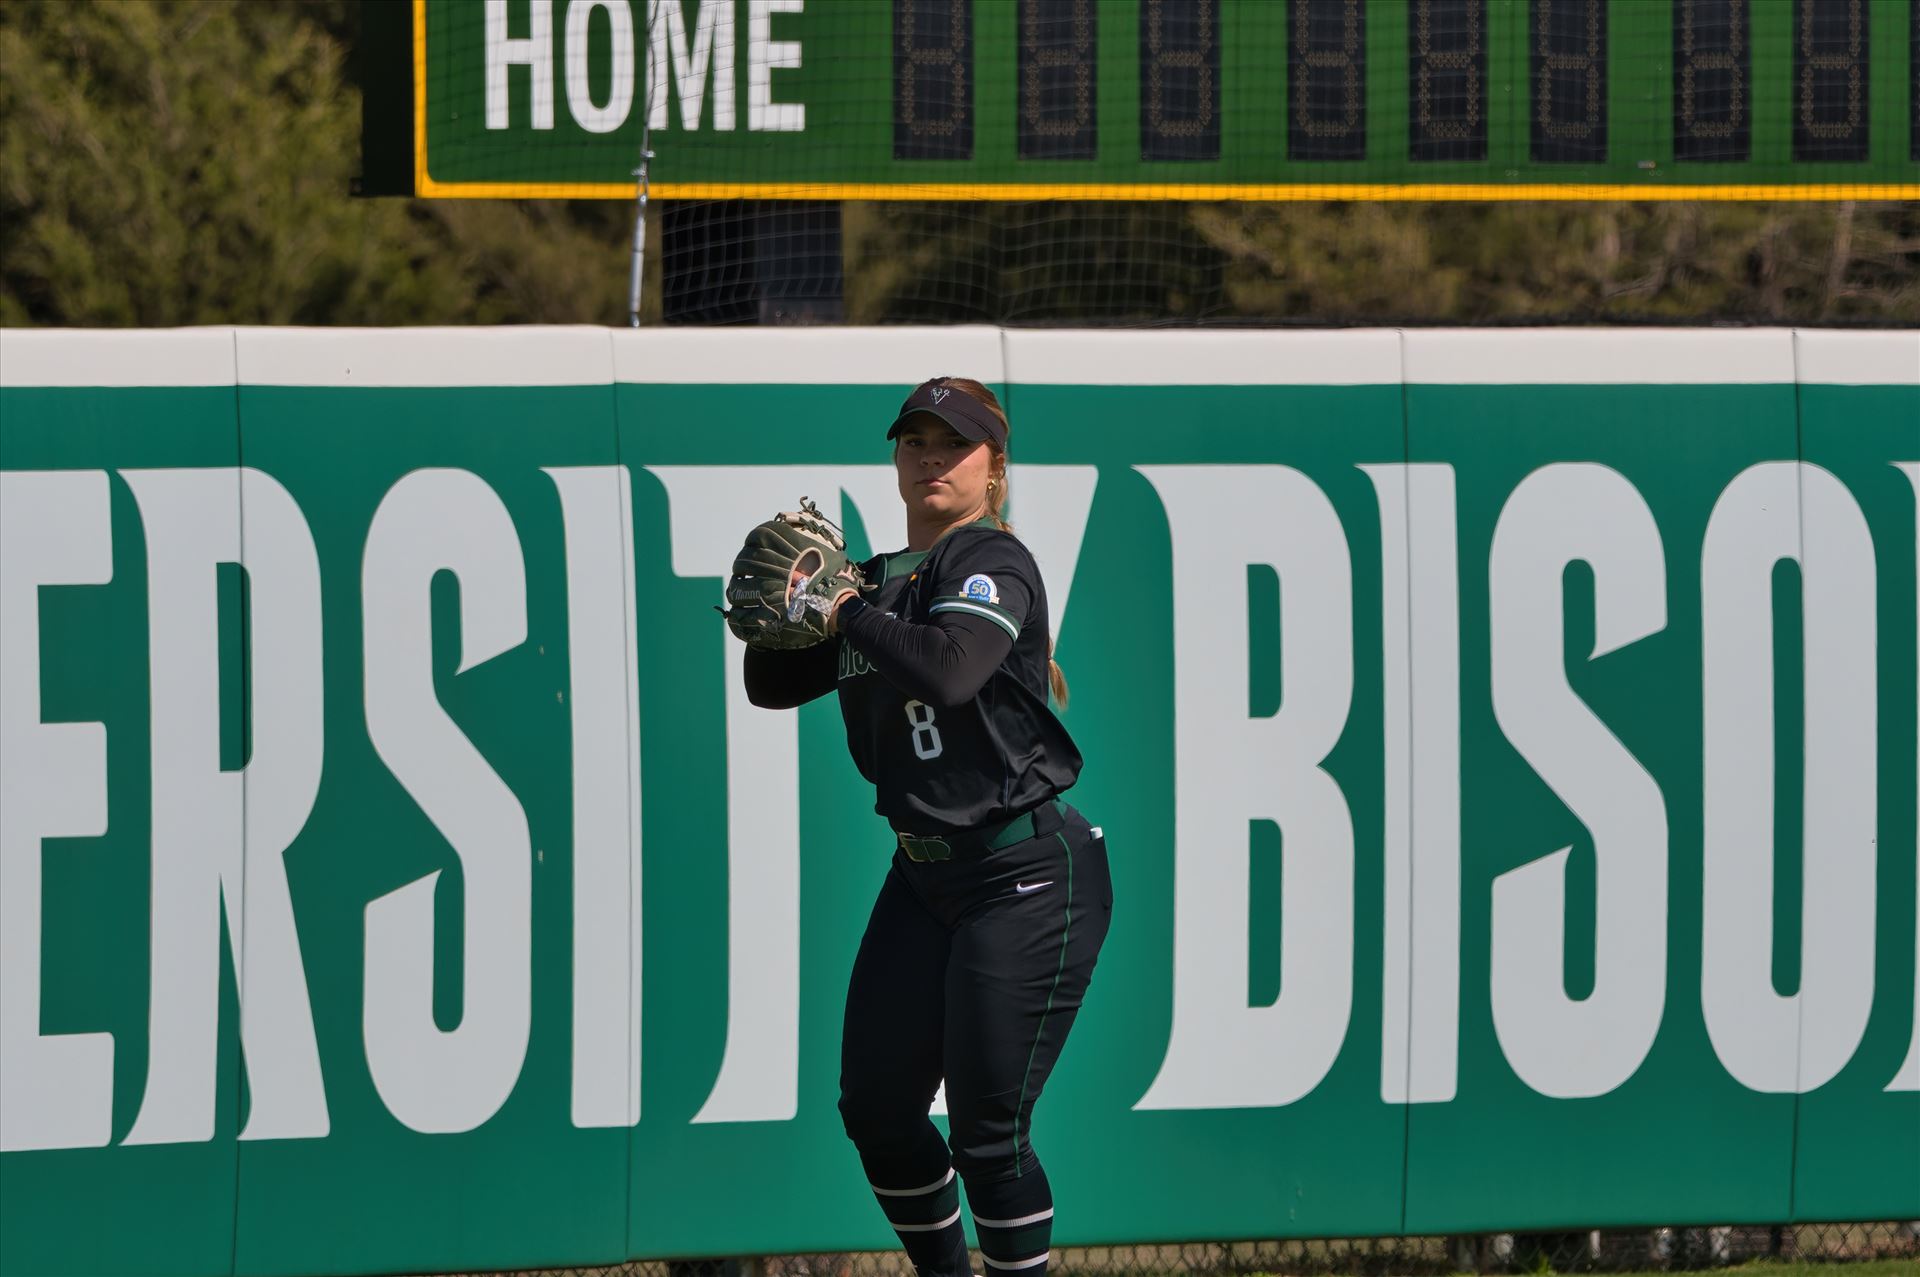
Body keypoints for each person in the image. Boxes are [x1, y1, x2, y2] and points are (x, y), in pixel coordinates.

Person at [743, 377, 1112, 1276]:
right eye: (914, 441)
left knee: (989, 1136)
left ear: (995, 467)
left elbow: (951, 670)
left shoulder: (989, 560)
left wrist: (838, 611)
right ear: (896, 461)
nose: (932, 457)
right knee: (875, 1106)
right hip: (923, 875)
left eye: (954, 443)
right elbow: (769, 685)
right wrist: (783, 617)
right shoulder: (870, 582)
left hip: (1023, 872)